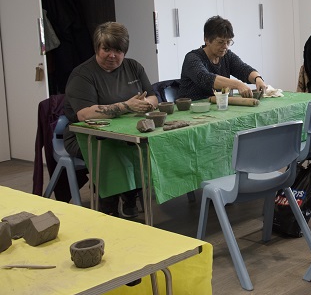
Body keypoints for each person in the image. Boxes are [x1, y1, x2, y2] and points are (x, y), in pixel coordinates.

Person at [63, 22, 158, 218]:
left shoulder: (133, 67)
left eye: (118, 50)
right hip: (85, 136)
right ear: (97, 48)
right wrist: (127, 106)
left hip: (127, 130)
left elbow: (154, 97)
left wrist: (146, 103)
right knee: (110, 150)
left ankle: (131, 196)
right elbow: (85, 114)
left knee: (147, 145)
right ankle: (108, 210)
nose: (112, 55)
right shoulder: (83, 75)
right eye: (106, 49)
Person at [179, 16, 267, 100]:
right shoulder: (192, 58)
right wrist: (237, 84)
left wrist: (257, 78)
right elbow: (206, 79)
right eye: (220, 42)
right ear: (206, 40)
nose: (225, 47)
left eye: (228, 42)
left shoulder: (226, 55)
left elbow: (243, 69)